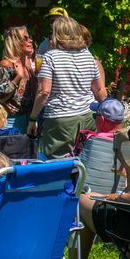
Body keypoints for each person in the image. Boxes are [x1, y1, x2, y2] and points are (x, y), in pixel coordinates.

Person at [33, 16, 107, 157]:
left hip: (60, 119)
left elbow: (44, 91)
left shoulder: (50, 57)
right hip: (87, 116)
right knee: (83, 161)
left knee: (58, 164)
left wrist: (33, 118)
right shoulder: (87, 56)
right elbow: (99, 90)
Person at [0, 25, 37, 133]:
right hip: (12, 121)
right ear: (15, 42)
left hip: (28, 118)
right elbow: (0, 96)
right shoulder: (7, 64)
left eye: (30, 37)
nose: (30, 41)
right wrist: (18, 77)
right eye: (25, 38)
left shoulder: (28, 65)